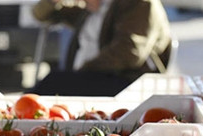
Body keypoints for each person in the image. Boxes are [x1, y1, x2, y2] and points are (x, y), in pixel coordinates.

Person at [30, 0, 172, 96]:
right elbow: (40, 14)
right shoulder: (92, 7)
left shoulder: (139, 4)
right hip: (90, 77)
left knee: (54, 83)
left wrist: (81, 72)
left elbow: (128, 53)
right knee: (51, 85)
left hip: (125, 83)